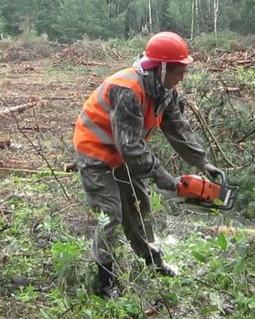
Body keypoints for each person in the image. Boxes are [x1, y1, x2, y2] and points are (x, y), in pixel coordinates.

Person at [73, 31, 222, 299]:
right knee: (112, 215)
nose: (182, 76)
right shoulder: (128, 90)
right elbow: (130, 146)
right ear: (161, 67)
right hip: (96, 151)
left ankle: (153, 263)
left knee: (140, 207)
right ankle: (104, 282)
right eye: (178, 71)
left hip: (123, 153)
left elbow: (178, 128)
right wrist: (163, 177)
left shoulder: (165, 91)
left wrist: (203, 162)